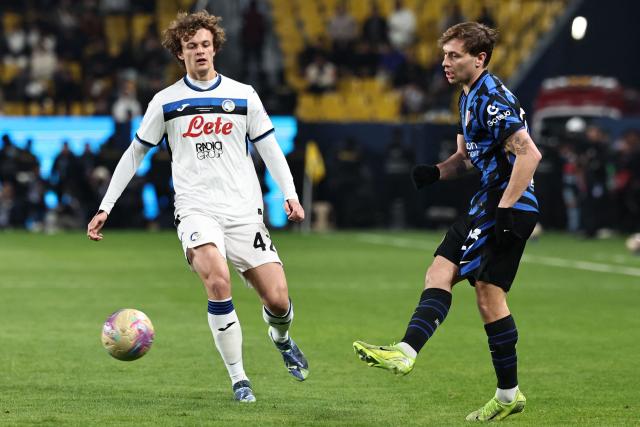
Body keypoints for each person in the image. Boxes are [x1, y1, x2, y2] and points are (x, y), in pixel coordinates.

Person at [87, 10, 308, 403]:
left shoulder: (243, 95)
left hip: (243, 211)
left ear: (215, 48)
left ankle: (282, 337)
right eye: (191, 46)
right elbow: (135, 153)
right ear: (180, 54)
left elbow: (269, 148)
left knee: (276, 299)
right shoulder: (166, 102)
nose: (200, 51)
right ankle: (240, 379)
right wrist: (107, 204)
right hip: (196, 210)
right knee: (218, 281)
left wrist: (289, 193)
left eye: (206, 44)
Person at [353, 22, 541, 422]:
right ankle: (408, 354)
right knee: (441, 272)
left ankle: (501, 393)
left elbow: (530, 156)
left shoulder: (492, 98)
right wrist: (438, 172)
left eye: (454, 55)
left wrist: (506, 208)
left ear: (480, 58)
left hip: (506, 204)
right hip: (488, 202)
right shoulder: (468, 95)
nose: (445, 63)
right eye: (444, 55)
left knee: (488, 296)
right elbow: (469, 158)